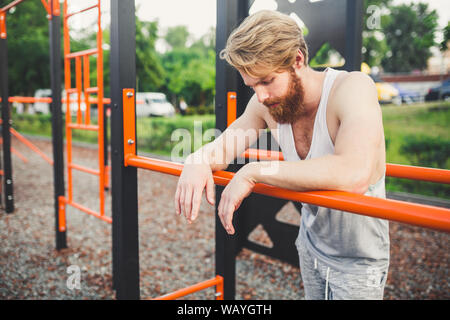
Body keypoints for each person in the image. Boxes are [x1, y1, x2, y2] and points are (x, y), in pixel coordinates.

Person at [174, 10, 389, 300]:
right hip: (311, 245)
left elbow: (354, 174)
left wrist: (254, 172)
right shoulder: (267, 104)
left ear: (297, 60)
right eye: (252, 86)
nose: (260, 96)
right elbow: (224, 147)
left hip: (358, 259)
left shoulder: (350, 89)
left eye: (266, 81)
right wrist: (196, 160)